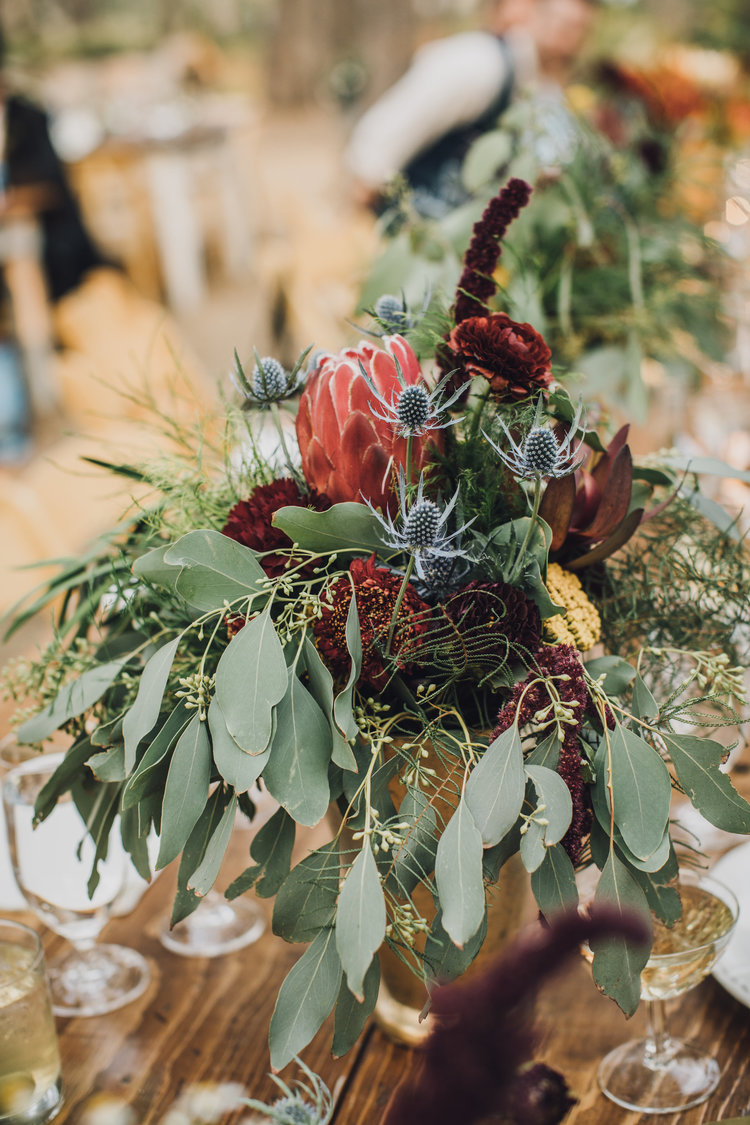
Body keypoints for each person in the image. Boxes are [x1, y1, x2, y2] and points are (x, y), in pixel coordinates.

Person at [345, 0, 597, 217]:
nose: (569, 42)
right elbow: (378, 145)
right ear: (534, 12)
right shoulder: (479, 63)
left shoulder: (548, 91)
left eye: (580, 31)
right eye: (563, 25)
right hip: (416, 230)